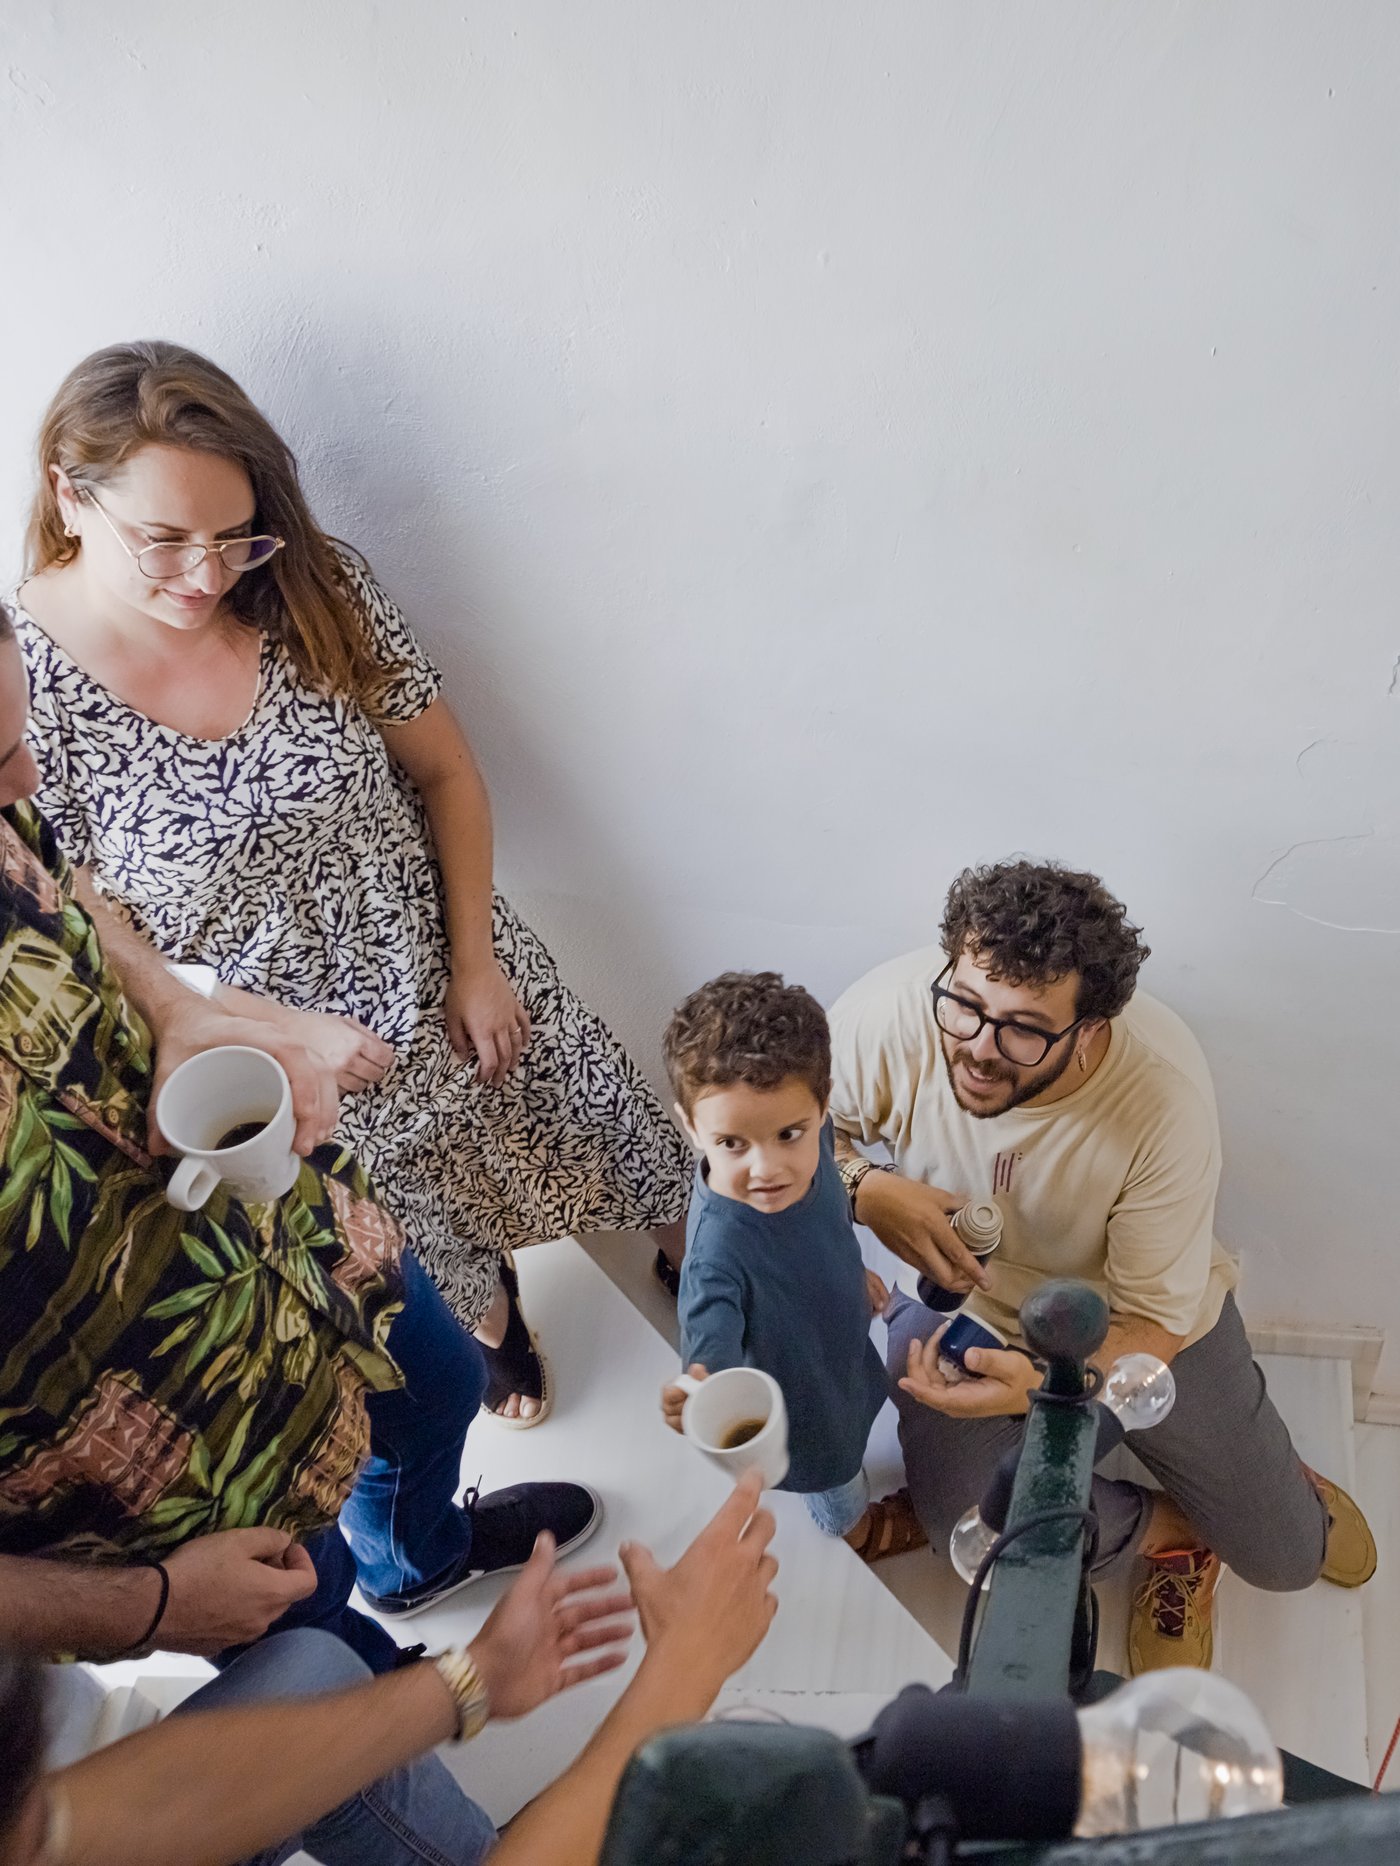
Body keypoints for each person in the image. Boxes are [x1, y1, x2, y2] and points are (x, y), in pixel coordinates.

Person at [11, 339, 693, 1427]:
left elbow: (445, 772)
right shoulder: (24, 683)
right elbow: (87, 916)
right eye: (165, 542)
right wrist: (274, 1027)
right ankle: (494, 1321)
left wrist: (476, 963)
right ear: (67, 493)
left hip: (457, 968)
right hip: (300, 1055)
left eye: (234, 537)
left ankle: (695, 1271)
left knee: (622, 1142)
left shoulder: (308, 587)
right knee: (424, 1248)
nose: (205, 576)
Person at [0, 601, 598, 1667]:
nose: (25, 788)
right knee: (307, 1627)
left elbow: (69, 886)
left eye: (17, 746)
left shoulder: (7, 808)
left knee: (442, 1388)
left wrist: (179, 1009)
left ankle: (419, 1564)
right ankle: (381, 1689)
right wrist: (143, 1606)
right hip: (147, 1457)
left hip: (273, 1233)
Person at [827, 859, 1376, 1673]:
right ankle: (1173, 1535)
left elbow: (1153, 1325)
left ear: (1092, 1029)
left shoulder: (1161, 1099)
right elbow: (762, 1131)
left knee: (1286, 1558)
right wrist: (863, 1187)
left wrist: (1045, 1391)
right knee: (962, 1539)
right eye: (966, 1005)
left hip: (1126, 1321)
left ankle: (1259, 1484)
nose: (977, 1049)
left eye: (1022, 1028)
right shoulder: (887, 1015)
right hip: (958, 1306)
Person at [0, 1474, 780, 1866]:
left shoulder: (44, 1824)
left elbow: (73, 1826)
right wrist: (680, 1673)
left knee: (312, 1666)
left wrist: (468, 1681)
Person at [658, 972, 923, 1561]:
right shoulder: (715, 1254)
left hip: (838, 1337)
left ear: (823, 1106)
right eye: (732, 1144)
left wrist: (849, 1272)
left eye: (787, 1134)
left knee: (857, 1402)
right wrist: (696, 1389)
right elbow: (710, 1352)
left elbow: (825, 1219)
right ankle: (856, 1530)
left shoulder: (821, 1137)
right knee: (833, 1473)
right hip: (800, 1399)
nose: (766, 1167)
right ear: (691, 1127)